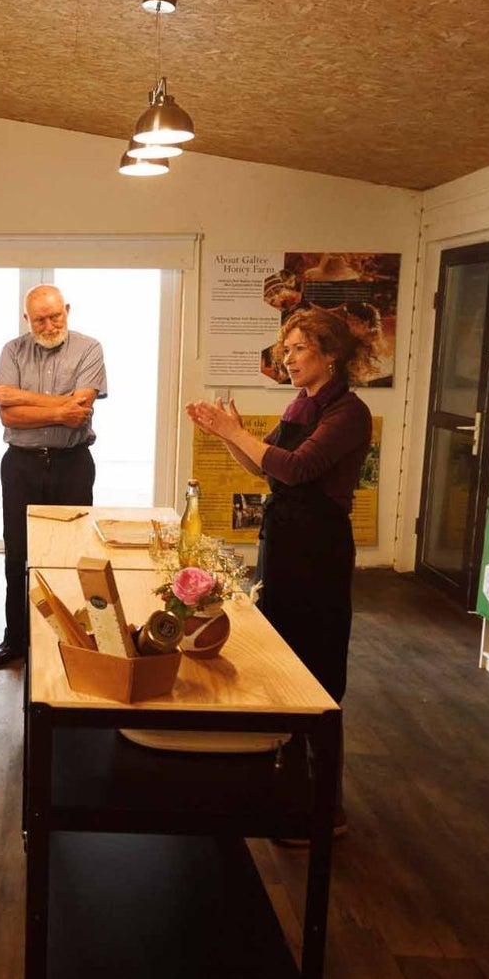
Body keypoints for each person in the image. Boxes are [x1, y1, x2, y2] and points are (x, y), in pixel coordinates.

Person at [186, 306, 374, 831]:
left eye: (298, 349)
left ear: (331, 355)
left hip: (319, 550)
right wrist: (228, 433)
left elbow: (295, 468)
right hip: (286, 541)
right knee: (281, 658)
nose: (287, 359)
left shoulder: (348, 412)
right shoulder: (300, 403)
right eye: (285, 349)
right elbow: (260, 461)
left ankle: (324, 809)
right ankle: (287, 788)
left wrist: (234, 431)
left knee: (317, 671)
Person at [0, 285, 107, 668]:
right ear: (27, 319)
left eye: (56, 316)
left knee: (71, 555)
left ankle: (70, 640)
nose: (50, 324)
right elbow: (7, 414)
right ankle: (16, 639)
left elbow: (81, 410)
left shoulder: (89, 348)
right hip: (21, 464)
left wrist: (24, 398)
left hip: (72, 463)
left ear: (67, 309)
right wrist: (59, 408)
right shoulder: (12, 350)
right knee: (18, 554)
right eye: (40, 319)